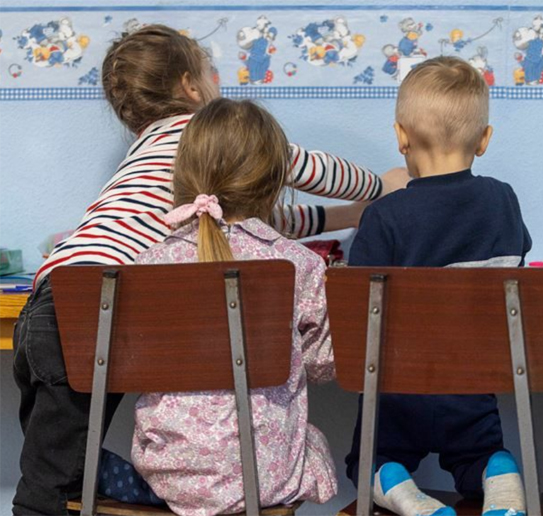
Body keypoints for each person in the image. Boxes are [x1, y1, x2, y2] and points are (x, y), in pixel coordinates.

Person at [13, 25, 407, 515]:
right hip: (91, 302)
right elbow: (305, 169)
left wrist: (347, 218)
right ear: (191, 88)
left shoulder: (147, 159)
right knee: (48, 484)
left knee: (60, 462)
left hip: (50, 297)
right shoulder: (194, 133)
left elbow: (251, 218)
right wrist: (380, 186)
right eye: (213, 74)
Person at [131, 97, 337, 514]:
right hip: (263, 475)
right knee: (313, 441)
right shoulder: (298, 264)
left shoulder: (148, 264)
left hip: (171, 473)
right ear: (275, 183)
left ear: (183, 174)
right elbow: (323, 365)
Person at [346, 56, 531, 516]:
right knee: (476, 460)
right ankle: (501, 475)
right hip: (471, 387)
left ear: (401, 137)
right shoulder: (504, 200)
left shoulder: (385, 216)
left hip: (398, 391)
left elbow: (355, 310)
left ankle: (408, 497)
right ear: (484, 140)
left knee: (370, 459)